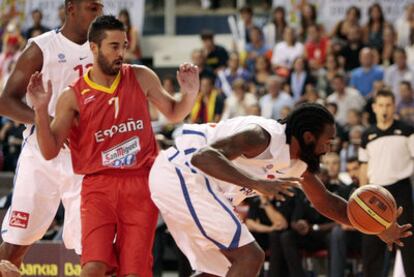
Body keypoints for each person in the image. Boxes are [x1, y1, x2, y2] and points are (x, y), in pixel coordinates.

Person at [149, 103, 411, 276]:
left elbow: (327, 203)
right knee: (250, 257)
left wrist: (379, 226)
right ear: (308, 137)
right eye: (327, 141)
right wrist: (257, 183)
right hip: (183, 171)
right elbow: (203, 158)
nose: (329, 149)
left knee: (225, 269)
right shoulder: (262, 136)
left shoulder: (297, 162)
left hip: (199, 184)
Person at [27, 15, 199, 276]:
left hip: (141, 184)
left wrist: (189, 93)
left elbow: (174, 113)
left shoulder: (141, 77)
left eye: (124, 45)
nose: (121, 52)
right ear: (94, 48)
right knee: (94, 266)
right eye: (114, 46)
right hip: (98, 187)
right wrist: (40, 110)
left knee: (134, 271)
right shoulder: (72, 95)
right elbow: (50, 150)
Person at [0, 0, 104, 266]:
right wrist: (49, 122)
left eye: (101, 7)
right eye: (92, 8)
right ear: (71, 8)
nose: (99, 13)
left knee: (94, 252)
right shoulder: (41, 47)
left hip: (85, 160)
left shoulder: (104, 48)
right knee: (13, 249)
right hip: (41, 156)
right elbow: (6, 101)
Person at [359, 89, 414, 277]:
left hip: (401, 190)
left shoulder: (407, 130)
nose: (385, 109)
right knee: (371, 244)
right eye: (381, 105)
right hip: (375, 193)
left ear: (394, 106)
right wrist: (361, 193)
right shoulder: (367, 135)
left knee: (407, 243)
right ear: (374, 108)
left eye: (388, 105)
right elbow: (363, 167)